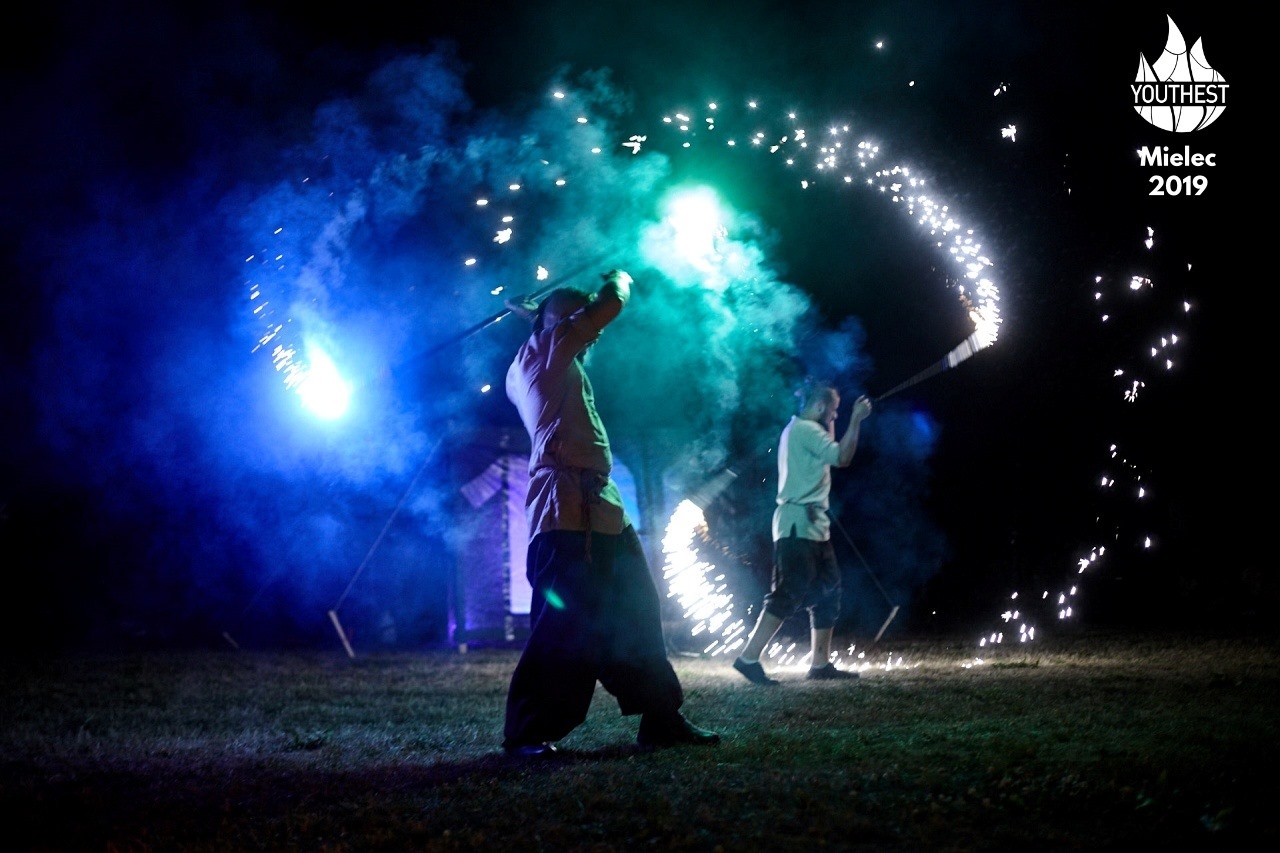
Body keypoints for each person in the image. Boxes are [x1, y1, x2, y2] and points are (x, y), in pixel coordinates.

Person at [499, 268, 720, 757]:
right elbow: (607, 306)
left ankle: (660, 716)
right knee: (565, 623)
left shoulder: (548, 355)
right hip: (566, 512)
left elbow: (563, 322)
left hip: (601, 509)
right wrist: (618, 280)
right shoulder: (543, 354)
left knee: (637, 608)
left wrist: (539, 312)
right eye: (571, 314)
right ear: (552, 321)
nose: (583, 322)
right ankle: (525, 734)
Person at [732, 380, 873, 684]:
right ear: (820, 408)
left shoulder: (802, 430)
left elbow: (830, 453)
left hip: (811, 524)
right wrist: (856, 419)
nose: (835, 417)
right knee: (788, 593)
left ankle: (820, 665)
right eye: (833, 411)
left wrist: (839, 420)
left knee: (828, 592)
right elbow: (842, 458)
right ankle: (748, 658)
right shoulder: (806, 431)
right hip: (797, 524)